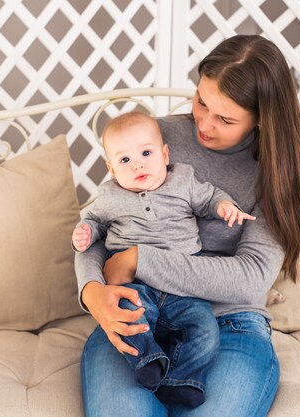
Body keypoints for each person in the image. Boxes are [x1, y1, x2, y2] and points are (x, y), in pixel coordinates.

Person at [77, 34, 300, 417]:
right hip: (140, 312)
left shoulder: (277, 174)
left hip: (231, 324)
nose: (204, 123)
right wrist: (91, 291)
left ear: (261, 119)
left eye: (225, 118)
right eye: (201, 102)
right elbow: (99, 224)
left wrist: (141, 260)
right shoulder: (154, 140)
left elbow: (250, 277)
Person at [72, 111, 255, 408]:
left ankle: (182, 380)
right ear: (111, 168)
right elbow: (94, 221)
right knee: (132, 319)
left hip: (185, 288)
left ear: (165, 153)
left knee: (205, 331)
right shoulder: (109, 195)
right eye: (125, 160)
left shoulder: (183, 179)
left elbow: (208, 198)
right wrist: (85, 233)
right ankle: (148, 360)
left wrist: (224, 206)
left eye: (146, 153)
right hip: (136, 284)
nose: (138, 164)